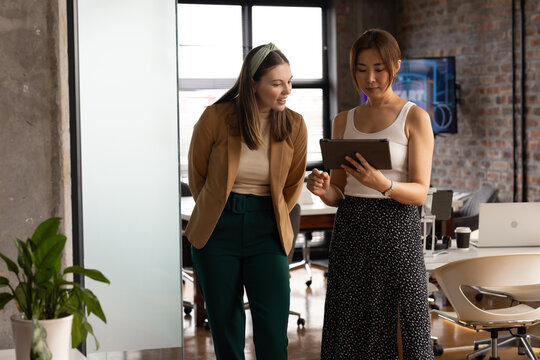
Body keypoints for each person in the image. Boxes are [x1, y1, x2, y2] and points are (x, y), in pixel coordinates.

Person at [307, 29, 435, 359]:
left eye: (378, 68)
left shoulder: (415, 118)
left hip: (397, 231)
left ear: (395, 66)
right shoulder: (343, 120)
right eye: (361, 69)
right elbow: (339, 192)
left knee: (402, 321)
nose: (370, 78)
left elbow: (420, 192)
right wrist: (325, 191)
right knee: (351, 324)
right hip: (351, 230)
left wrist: (384, 185)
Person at [185, 43, 307, 360]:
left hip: (267, 228)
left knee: (272, 332)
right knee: (226, 331)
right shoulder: (215, 117)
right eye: (277, 83)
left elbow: (293, 183)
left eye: (289, 82)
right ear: (253, 83)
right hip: (217, 230)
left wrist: (274, 213)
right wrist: (216, 208)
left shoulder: (294, 125)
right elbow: (197, 175)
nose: (287, 90)